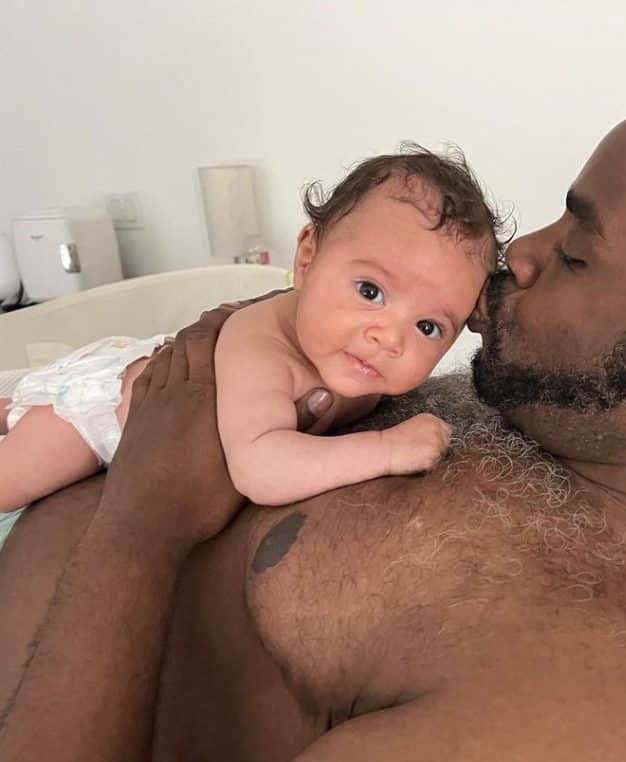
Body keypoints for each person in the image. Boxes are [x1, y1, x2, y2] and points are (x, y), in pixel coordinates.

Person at [0, 82, 626, 762]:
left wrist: (143, 517)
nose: (512, 259)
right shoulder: (567, 420)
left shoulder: (583, 718)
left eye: (573, 251)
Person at [0, 148, 499, 513]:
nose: (391, 338)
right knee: (16, 478)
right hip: (102, 407)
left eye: (429, 326)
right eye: (370, 291)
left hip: (135, 361)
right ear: (307, 257)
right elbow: (260, 468)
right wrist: (386, 450)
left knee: (15, 405)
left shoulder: (352, 358)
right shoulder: (261, 346)